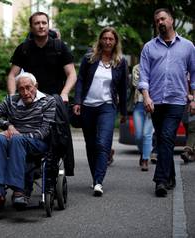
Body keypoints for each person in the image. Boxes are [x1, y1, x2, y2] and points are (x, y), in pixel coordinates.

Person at [138, 8, 195, 197]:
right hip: (155, 101)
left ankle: (160, 180)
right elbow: (143, 75)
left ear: (172, 20)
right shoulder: (149, 47)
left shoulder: (188, 47)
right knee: (164, 140)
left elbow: (194, 74)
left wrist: (193, 98)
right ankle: (170, 176)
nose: (160, 22)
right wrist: (146, 97)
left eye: (163, 19)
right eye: (157, 21)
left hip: (177, 100)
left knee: (167, 137)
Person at [0, 72, 56, 208]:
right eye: (21, 89)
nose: (25, 92)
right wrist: (7, 125)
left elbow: (45, 131)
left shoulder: (48, 101)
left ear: (36, 86)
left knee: (16, 140)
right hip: (15, 137)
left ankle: (19, 191)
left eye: (28, 87)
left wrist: (21, 137)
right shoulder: (11, 101)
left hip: (37, 142)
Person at [72, 27, 128, 196]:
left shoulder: (120, 62)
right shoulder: (89, 58)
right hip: (88, 106)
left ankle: (98, 181)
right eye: (105, 38)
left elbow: (123, 88)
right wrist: (78, 101)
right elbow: (80, 79)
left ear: (115, 42)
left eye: (111, 39)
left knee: (102, 143)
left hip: (107, 106)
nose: (108, 42)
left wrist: (124, 112)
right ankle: (94, 177)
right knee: (90, 145)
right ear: (100, 40)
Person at [7, 11, 76, 102]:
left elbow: (71, 74)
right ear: (31, 27)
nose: (41, 26)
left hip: (56, 99)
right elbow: (12, 75)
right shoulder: (24, 48)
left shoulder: (59, 46)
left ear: (48, 25)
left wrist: (64, 93)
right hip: (31, 100)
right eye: (37, 23)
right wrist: (12, 95)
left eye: (44, 23)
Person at [132, 64, 154, 171]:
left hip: (153, 104)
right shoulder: (137, 68)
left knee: (147, 133)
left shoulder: (158, 66)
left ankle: (145, 159)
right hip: (139, 104)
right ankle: (143, 152)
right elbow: (136, 83)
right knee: (138, 135)